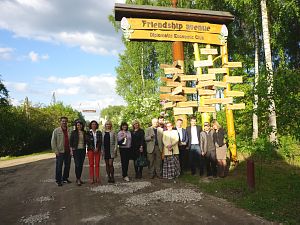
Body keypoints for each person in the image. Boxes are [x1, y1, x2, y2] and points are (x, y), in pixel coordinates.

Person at [51, 116, 72, 186]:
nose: (64, 122)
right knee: (59, 166)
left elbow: (71, 141)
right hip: (60, 152)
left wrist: (71, 150)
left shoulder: (69, 130)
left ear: (67, 122)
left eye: (65, 121)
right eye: (63, 121)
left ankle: (65, 178)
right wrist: (56, 151)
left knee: (67, 166)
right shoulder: (56, 130)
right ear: (60, 122)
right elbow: (53, 142)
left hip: (68, 151)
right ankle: (58, 180)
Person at [70, 120, 87, 186]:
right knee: (77, 165)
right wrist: (71, 150)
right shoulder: (73, 132)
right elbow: (71, 142)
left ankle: (79, 178)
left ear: (82, 126)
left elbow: (87, 140)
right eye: (77, 125)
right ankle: (78, 179)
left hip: (82, 150)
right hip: (76, 150)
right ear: (76, 126)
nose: (79, 126)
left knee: (81, 165)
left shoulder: (84, 132)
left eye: (80, 125)